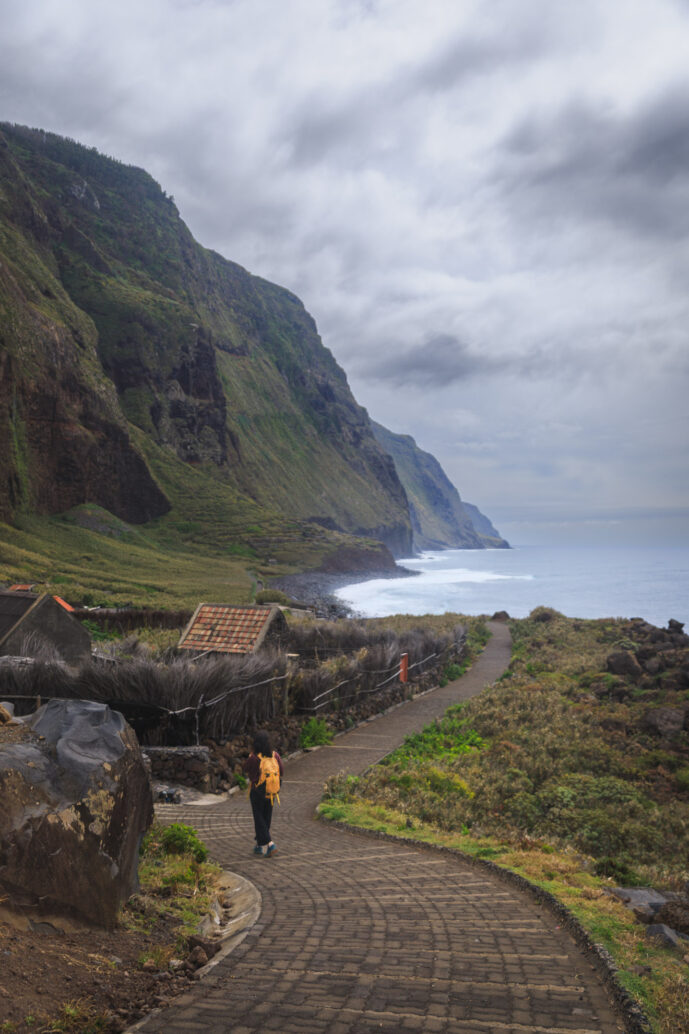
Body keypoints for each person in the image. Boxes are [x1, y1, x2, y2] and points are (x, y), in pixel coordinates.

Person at [242, 730, 283, 856]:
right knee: (266, 817)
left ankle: (270, 844)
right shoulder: (275, 755)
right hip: (272, 790)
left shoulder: (254, 758)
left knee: (259, 818)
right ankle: (260, 845)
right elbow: (281, 770)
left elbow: (245, 769)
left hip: (257, 791)